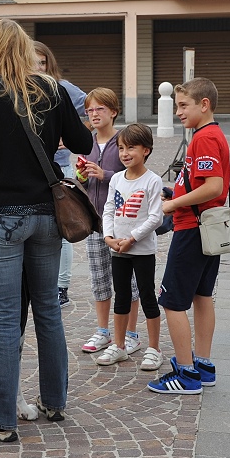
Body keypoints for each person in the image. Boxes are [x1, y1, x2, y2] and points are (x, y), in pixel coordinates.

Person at [0, 20, 93, 441]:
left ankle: (1, 420)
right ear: (22, 49)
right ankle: (54, 401)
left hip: (1, 216)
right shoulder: (52, 91)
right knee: (48, 308)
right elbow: (83, 143)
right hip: (47, 214)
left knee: (4, 316)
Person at [147, 77, 230, 395]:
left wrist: (172, 204)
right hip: (206, 227)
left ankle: (186, 374)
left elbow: (214, 186)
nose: (178, 112)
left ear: (204, 104)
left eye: (183, 105)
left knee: (172, 301)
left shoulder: (204, 138)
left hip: (192, 229)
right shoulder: (211, 134)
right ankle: (204, 366)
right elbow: (204, 184)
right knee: (201, 296)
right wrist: (178, 192)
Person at [78, 88, 143, 357]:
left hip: (122, 223)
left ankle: (131, 334)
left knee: (128, 282)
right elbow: (84, 183)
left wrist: (104, 173)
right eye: (90, 110)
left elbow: (134, 175)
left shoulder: (123, 141)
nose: (94, 114)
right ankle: (103, 331)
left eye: (100, 109)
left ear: (113, 112)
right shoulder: (87, 143)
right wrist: (82, 177)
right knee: (100, 279)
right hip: (95, 222)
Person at [97, 123, 164, 370]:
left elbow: (156, 217)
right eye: (121, 148)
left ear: (146, 150)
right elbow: (109, 210)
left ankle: (154, 348)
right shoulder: (116, 179)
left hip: (141, 250)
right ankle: (119, 345)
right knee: (121, 296)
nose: (125, 153)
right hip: (118, 250)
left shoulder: (152, 181)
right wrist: (108, 237)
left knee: (147, 296)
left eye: (131, 148)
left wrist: (132, 238)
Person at [33, 41, 87, 308]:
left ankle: (61, 287)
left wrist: (73, 133)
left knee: (64, 228)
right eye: (33, 62)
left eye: (43, 62)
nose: (39, 67)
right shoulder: (21, 90)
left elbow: (94, 105)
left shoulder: (61, 87)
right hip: (32, 172)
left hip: (60, 169)